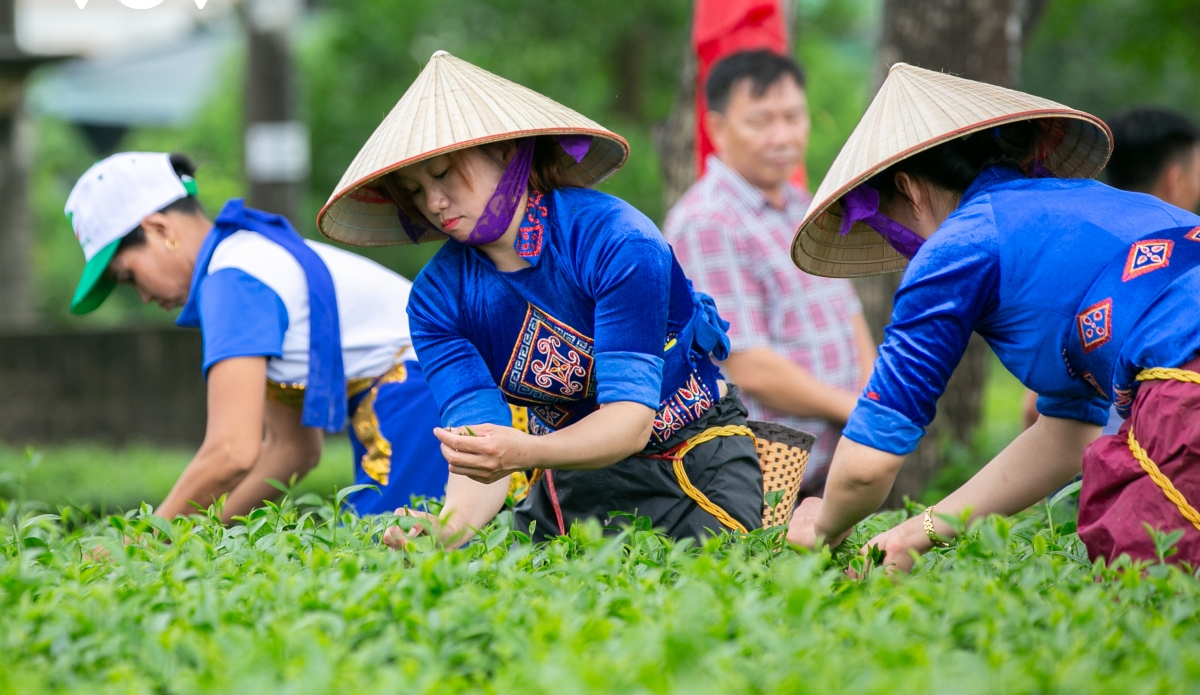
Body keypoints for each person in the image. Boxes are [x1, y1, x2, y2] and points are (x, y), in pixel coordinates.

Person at [317, 51, 764, 546]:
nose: (433, 202)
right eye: (416, 190)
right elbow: (479, 445)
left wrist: (522, 451)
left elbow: (629, 423)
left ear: (506, 152)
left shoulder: (616, 241)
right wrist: (443, 533)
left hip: (692, 466)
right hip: (566, 486)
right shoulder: (436, 299)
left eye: (443, 174)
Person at [786, 62, 1200, 568]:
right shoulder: (1094, 206)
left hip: (1187, 384)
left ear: (910, 188)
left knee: (1151, 579)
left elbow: (866, 468)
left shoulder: (963, 243)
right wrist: (913, 534)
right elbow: (1067, 436)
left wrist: (820, 524)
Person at [64, 151, 446, 520]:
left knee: (388, 555)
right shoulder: (245, 261)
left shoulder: (234, 282)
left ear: (160, 229)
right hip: (426, 396)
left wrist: (144, 541)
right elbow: (291, 449)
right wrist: (191, 538)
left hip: (424, 395)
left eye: (129, 277)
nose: (142, 296)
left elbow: (231, 451)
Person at [665, 50, 875, 495]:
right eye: (761, 121)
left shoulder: (803, 204)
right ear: (717, 128)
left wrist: (875, 405)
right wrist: (863, 412)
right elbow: (746, 364)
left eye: (793, 117)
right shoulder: (709, 222)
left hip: (842, 461)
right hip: (768, 481)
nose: (782, 136)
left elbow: (848, 315)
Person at [1022, 107, 1200, 431]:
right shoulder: (1189, 267)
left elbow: (1032, 409)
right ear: (1176, 179)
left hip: (1098, 460)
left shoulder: (1084, 254)